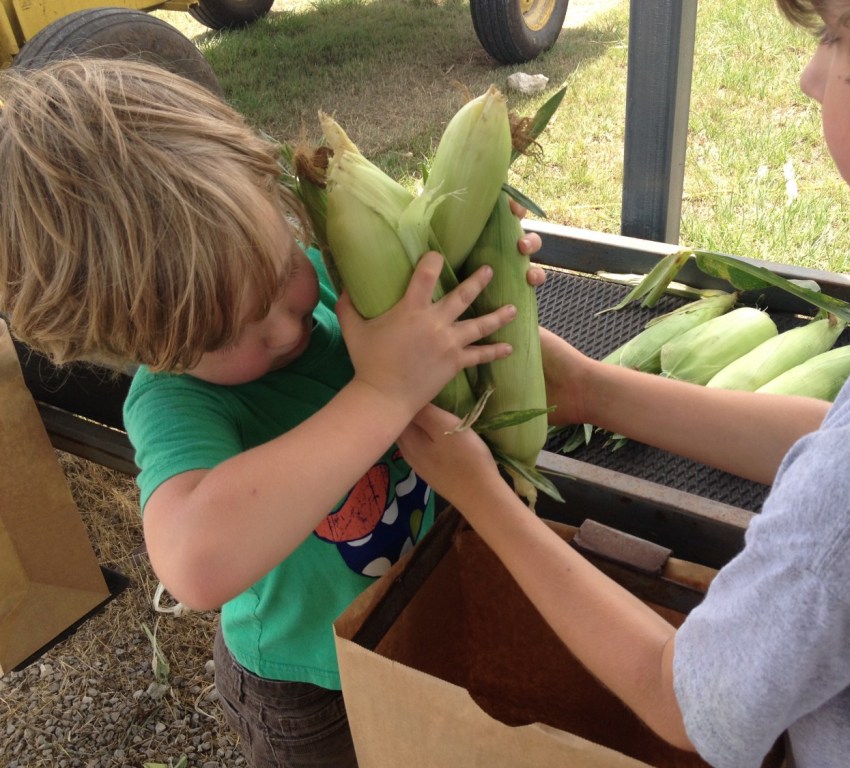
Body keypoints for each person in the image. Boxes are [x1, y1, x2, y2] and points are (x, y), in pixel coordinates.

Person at [393, 1, 850, 765]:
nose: (810, 77)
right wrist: (593, 389)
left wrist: (481, 498)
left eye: (835, 37)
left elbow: (682, 699)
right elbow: (844, 437)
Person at [0, 58, 544, 767]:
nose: (287, 328)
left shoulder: (335, 275)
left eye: (279, 268)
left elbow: (455, 333)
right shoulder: (175, 401)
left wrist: (486, 274)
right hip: (311, 692)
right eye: (227, 334)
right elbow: (195, 564)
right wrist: (381, 393)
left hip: (420, 610)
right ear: (141, 347)